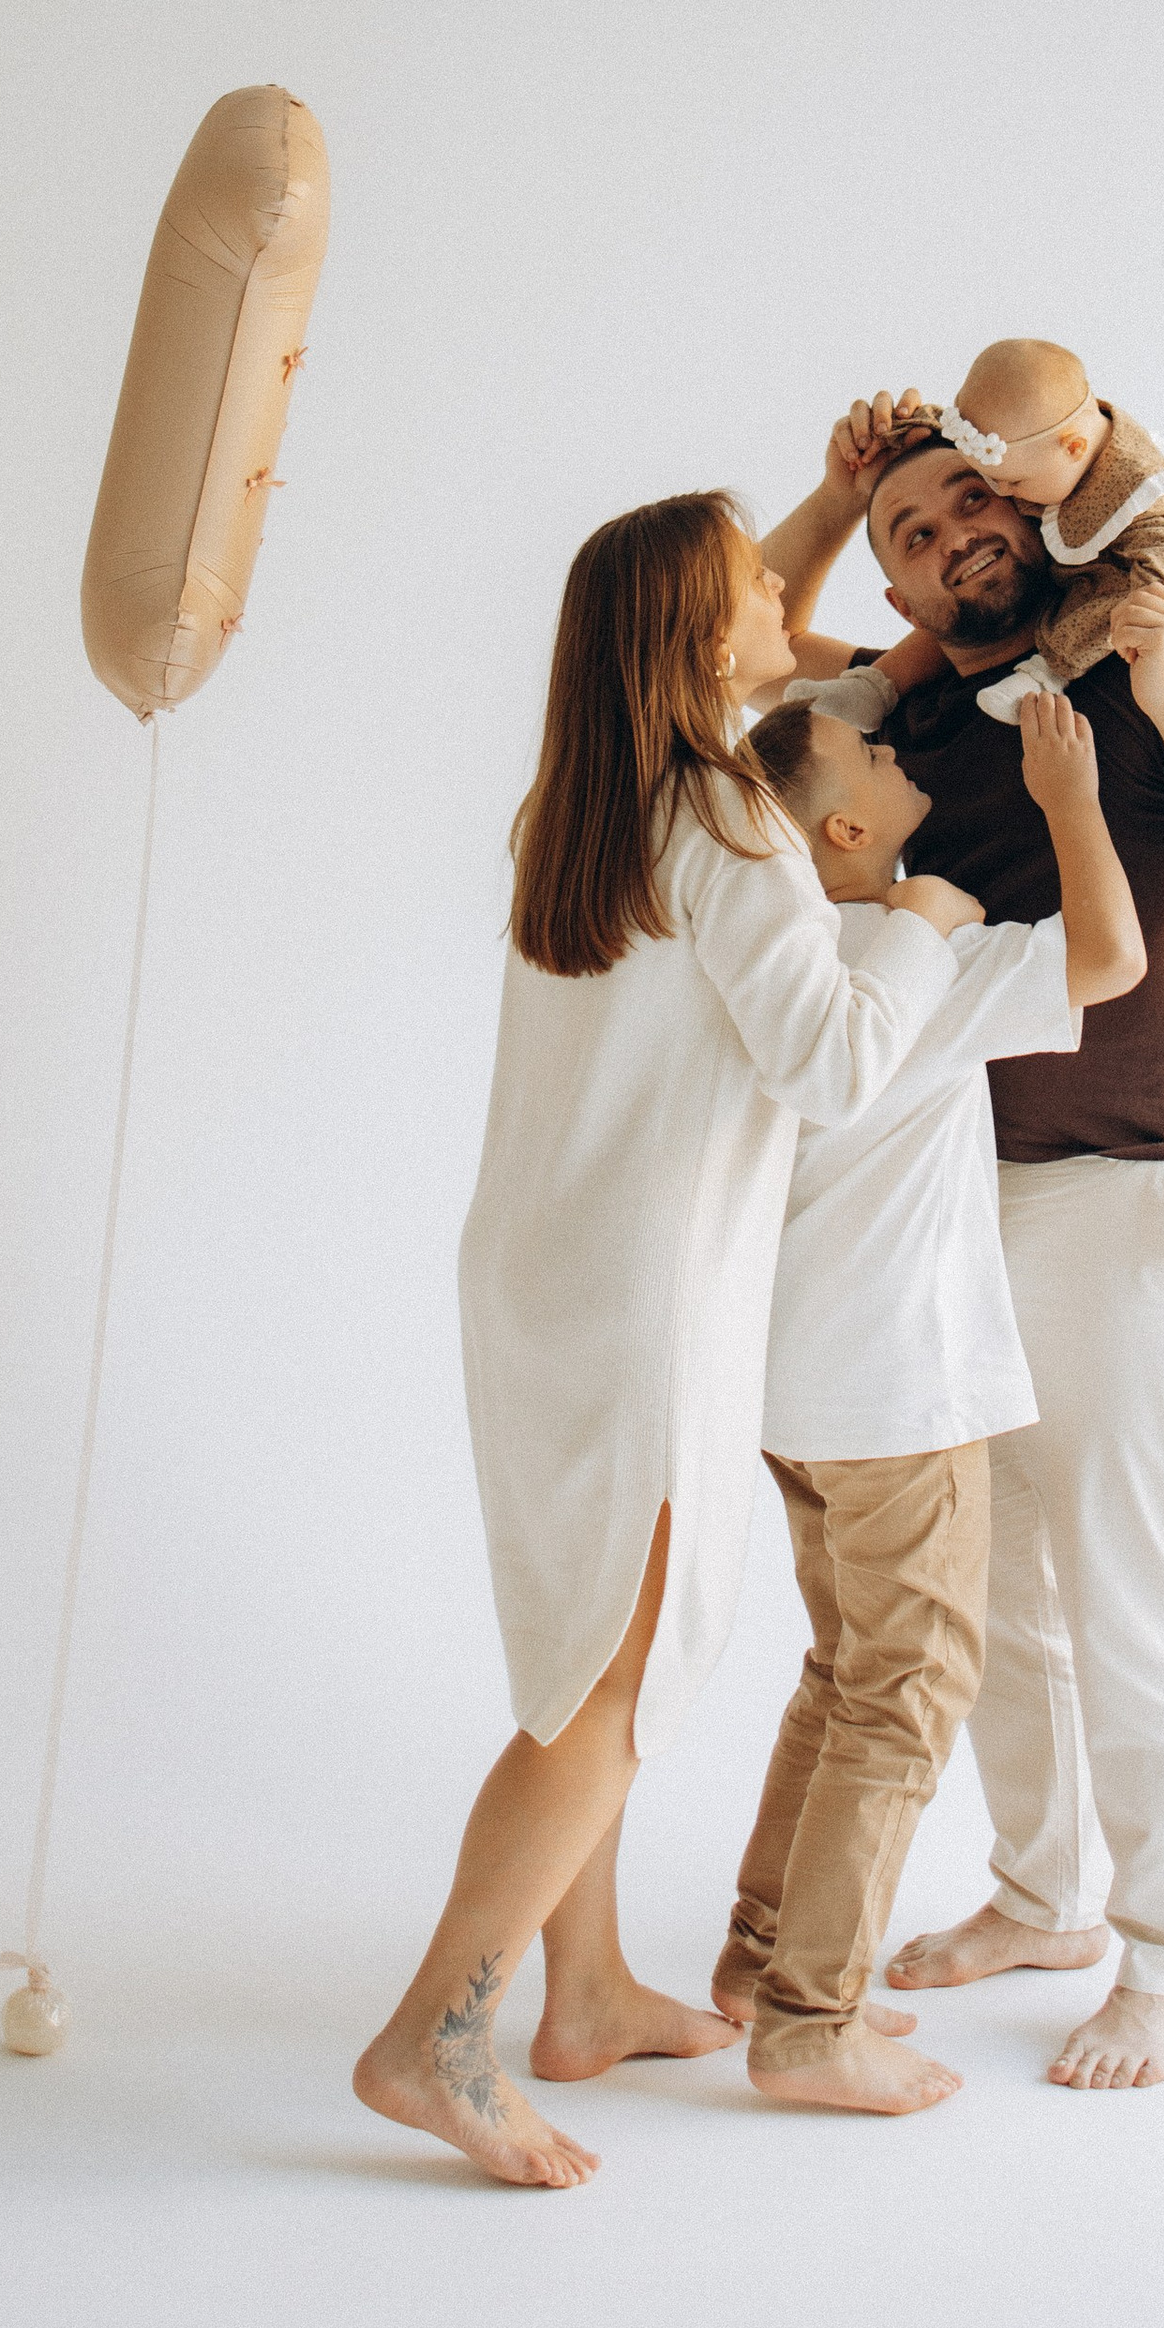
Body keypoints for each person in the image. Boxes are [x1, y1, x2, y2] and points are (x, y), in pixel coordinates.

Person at [352, 490, 983, 2190]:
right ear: (709, 645)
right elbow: (834, 1064)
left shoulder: (581, 804)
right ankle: (437, 2032)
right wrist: (919, 924)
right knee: (616, 1677)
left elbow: (780, 630)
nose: (791, 600)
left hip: (541, 1276)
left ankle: (588, 1994)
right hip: (640, 1298)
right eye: (755, 595)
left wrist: (840, 506)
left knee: (580, 1649)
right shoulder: (728, 812)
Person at [762, 402, 1164, 2091]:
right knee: (1003, 1584)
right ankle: (1042, 1895)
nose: (946, 530)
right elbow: (732, 652)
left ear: (1031, 502)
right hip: (960, 1198)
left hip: (1138, 1184)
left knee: (1131, 1581)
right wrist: (831, 494)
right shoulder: (908, 719)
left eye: (967, 496)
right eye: (906, 529)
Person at [712, 691, 1145, 2119]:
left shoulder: (774, 964)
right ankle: (808, 2022)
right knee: (908, 1696)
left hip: (795, 1394)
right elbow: (1111, 958)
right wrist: (1070, 798)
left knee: (846, 1672)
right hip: (897, 1391)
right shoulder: (913, 957)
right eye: (879, 758)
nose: (901, 757)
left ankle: (760, 1957)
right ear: (843, 829)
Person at [795, 341, 1164, 733]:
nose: (959, 539)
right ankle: (874, 685)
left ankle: (1044, 673)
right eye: (919, 535)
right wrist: (841, 494)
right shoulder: (889, 721)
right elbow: (736, 645)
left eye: (975, 497)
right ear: (903, 607)